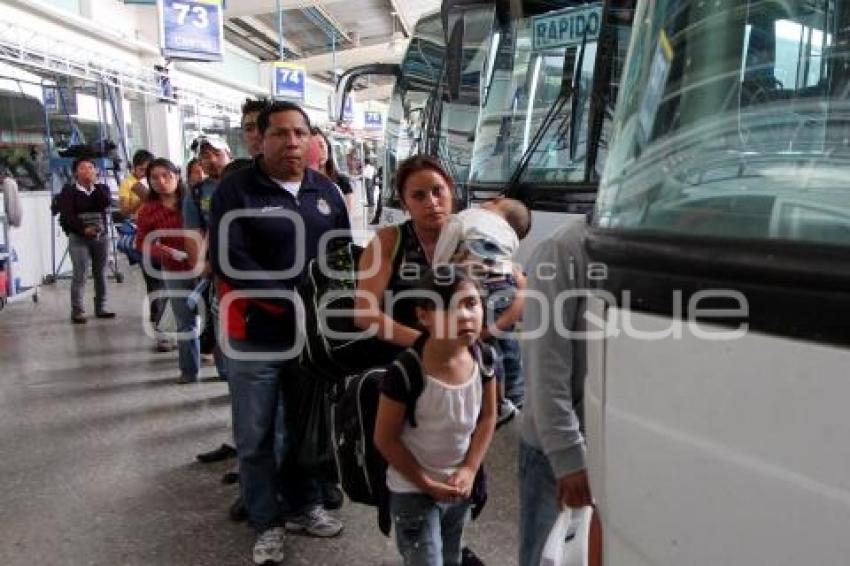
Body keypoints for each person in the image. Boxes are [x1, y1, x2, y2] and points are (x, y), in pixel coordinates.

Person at [209, 101, 349, 565]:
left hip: (312, 339)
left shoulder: (325, 191)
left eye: (300, 133)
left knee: (305, 429)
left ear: (310, 139)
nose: (292, 142)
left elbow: (342, 256)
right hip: (257, 336)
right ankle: (265, 521)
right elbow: (230, 260)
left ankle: (305, 504)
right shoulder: (237, 191)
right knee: (256, 436)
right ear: (260, 139)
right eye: (280, 133)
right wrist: (294, 297)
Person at [374, 268, 498, 566]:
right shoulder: (405, 372)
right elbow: (385, 438)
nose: (466, 316)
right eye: (451, 307)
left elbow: (488, 417)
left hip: (458, 488)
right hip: (413, 490)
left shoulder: (486, 358)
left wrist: (469, 469)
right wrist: (427, 483)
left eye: (472, 304)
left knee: (451, 558)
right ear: (424, 316)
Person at [518, 216, 597, 566]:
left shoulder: (644, 247)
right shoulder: (563, 249)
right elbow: (545, 364)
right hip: (557, 451)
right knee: (547, 555)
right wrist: (568, 457)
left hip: (609, 444)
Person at [433, 197, 532, 424]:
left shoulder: (466, 217)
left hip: (480, 285)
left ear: (494, 202)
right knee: (508, 344)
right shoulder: (509, 235)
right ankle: (517, 396)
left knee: (488, 349)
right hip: (506, 284)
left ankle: (498, 402)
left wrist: (439, 268)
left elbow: (447, 243)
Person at [354, 154, 456, 349]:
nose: (432, 202)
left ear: (450, 191)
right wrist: (427, 346)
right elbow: (364, 314)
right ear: (404, 203)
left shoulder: (471, 238)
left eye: (438, 191)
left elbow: (511, 291)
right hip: (399, 359)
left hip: (460, 362)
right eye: (419, 196)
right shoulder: (389, 240)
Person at [135, 159, 199, 384]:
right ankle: (189, 370)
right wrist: (161, 251)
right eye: (155, 178)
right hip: (174, 269)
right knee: (184, 321)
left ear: (177, 176)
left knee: (215, 318)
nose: (161, 182)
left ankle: (224, 370)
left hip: (203, 267)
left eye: (166, 176)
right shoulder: (148, 211)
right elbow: (141, 242)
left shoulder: (193, 201)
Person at [57, 157, 115, 324]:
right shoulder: (69, 191)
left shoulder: (102, 188)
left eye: (91, 167)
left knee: (101, 273)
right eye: (83, 168)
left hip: (100, 237)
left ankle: (101, 307)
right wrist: (83, 229)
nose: (87, 171)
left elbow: (105, 203)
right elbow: (67, 215)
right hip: (79, 237)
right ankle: (78, 310)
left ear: (96, 171)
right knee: (80, 274)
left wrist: (94, 186)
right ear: (76, 172)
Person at [310, 128, 355, 211]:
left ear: (328, 147)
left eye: (321, 146)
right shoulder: (303, 184)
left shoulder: (342, 182)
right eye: (313, 148)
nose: (319, 152)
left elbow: (346, 217)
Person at [118, 149, 153, 218]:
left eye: (148, 170)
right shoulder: (127, 182)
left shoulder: (154, 180)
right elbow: (124, 211)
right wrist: (141, 200)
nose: (145, 173)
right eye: (142, 169)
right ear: (134, 167)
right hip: (137, 220)